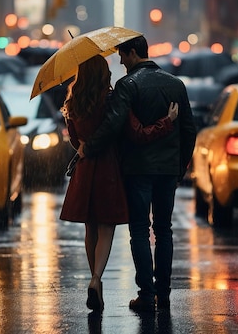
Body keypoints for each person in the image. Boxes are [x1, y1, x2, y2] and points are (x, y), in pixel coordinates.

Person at [78, 36, 197, 313]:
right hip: (168, 170)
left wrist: (88, 148)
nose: (120, 61)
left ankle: (146, 294)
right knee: (164, 230)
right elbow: (189, 130)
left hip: (137, 170)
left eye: (122, 55)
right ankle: (163, 293)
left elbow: (113, 126)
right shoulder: (176, 85)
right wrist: (179, 168)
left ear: (133, 53)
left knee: (140, 232)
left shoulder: (127, 86)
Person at [60, 55, 178, 312]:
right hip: (108, 168)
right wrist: (165, 123)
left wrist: (83, 148)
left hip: (84, 169)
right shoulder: (111, 100)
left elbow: (73, 137)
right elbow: (134, 131)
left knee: (90, 228)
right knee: (106, 228)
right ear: (103, 74)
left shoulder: (73, 100)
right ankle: (96, 278)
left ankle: (95, 281)